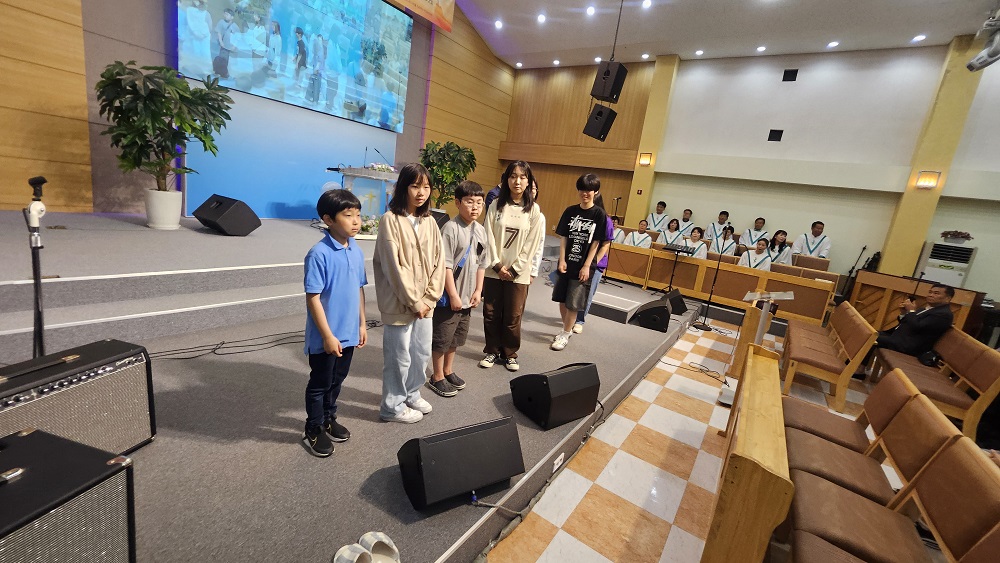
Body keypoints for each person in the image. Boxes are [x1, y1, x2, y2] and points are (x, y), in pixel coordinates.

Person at [373, 163, 446, 424]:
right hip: (399, 304)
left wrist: (429, 298)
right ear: (403, 187)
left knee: (421, 353)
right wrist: (415, 302)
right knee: (398, 358)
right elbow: (393, 268)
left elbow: (439, 263)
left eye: (426, 187)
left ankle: (412, 394)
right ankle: (392, 406)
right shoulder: (390, 220)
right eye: (415, 186)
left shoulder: (430, 222)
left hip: (426, 304)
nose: (421, 192)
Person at [301, 189, 368, 457]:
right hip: (326, 336)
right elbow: (313, 298)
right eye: (348, 215)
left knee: (337, 380)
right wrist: (328, 336)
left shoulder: (356, 250)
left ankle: (329, 417)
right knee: (320, 383)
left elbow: (359, 289)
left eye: (358, 215)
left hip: (349, 332)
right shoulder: (318, 254)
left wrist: (362, 324)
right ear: (328, 219)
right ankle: (313, 427)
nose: (356, 221)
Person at [481, 161, 544, 371]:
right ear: (506, 179)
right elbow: (488, 236)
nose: (517, 181)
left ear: (528, 181)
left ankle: (509, 353)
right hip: (494, 270)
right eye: (513, 176)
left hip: (519, 274)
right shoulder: (495, 205)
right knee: (491, 313)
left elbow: (532, 244)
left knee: (513, 315)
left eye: (522, 177)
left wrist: (515, 269)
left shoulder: (534, 210)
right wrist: (497, 265)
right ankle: (491, 350)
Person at [427, 181, 487, 397]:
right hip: (450, 297)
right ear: (458, 203)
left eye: (479, 203)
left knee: (455, 338)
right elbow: (445, 265)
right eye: (469, 202)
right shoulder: (451, 229)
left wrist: (478, 291)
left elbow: (482, 264)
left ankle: (448, 370)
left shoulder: (480, 230)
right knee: (442, 338)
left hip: (468, 297)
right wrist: (452, 295)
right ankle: (436, 377)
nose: (475, 207)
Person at [551, 174, 608, 352]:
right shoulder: (570, 211)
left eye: (589, 190)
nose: (585, 193)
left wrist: (587, 266)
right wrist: (562, 259)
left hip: (583, 265)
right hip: (567, 262)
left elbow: (597, 242)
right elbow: (563, 237)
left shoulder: (599, 214)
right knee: (561, 298)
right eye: (582, 189)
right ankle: (566, 330)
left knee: (573, 302)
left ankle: (565, 333)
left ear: (595, 191)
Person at [573, 193, 615, 334]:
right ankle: (571, 317)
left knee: (587, 292)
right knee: (574, 290)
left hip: (596, 264)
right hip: (579, 259)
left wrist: (593, 262)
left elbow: (605, 244)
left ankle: (579, 320)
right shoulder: (582, 216)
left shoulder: (606, 220)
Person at [875, 284, 954, 356]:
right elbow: (908, 322)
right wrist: (903, 313)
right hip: (897, 338)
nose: (931, 295)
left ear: (947, 298)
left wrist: (911, 311)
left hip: (908, 346)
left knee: (871, 338)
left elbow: (917, 326)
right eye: (930, 292)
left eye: (936, 293)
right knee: (871, 333)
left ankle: (865, 365)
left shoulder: (943, 314)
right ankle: (866, 364)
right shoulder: (926, 309)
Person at [530, 181, 546, 282]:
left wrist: (533, 271)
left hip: (524, 268)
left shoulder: (540, 216)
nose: (531, 191)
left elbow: (539, 244)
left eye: (534, 188)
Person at [213, 9, 237, 78]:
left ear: (232, 17)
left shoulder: (234, 26)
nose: (225, 16)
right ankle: (220, 72)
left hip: (230, 46)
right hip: (223, 45)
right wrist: (221, 42)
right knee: (222, 59)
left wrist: (234, 45)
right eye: (225, 14)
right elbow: (219, 32)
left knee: (227, 60)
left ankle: (224, 72)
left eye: (227, 14)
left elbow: (237, 37)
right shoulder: (221, 22)